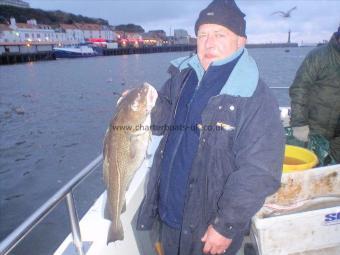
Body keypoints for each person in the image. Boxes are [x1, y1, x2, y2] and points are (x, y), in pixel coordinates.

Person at [137, 0, 285, 254]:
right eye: (202, 34)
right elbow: (159, 124)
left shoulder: (255, 97)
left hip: (208, 227)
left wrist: (226, 226)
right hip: (169, 215)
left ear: (241, 41)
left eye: (219, 34)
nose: (208, 42)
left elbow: (259, 170)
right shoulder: (183, 76)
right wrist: (139, 106)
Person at [289, 26, 340, 163]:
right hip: (315, 129)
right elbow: (299, 88)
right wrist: (299, 124)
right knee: (312, 167)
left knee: (332, 174)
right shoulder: (318, 56)